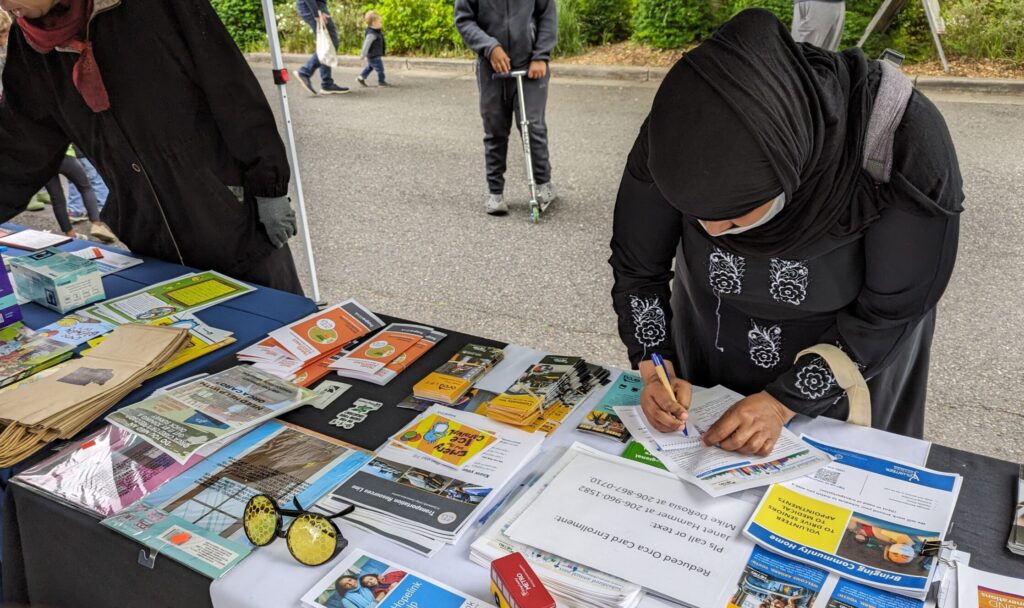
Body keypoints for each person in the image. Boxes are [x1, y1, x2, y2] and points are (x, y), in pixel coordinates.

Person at [609, 9, 963, 453]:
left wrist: (782, 403)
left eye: (736, 218)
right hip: (712, 337)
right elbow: (639, 266)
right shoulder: (678, 128)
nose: (712, 232)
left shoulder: (901, 139)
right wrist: (654, 363)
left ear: (791, 171)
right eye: (693, 215)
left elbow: (891, 312)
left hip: (847, 358)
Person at [0, 0, 303, 294]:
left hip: (231, 220)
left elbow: (231, 88)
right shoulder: (29, 46)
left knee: (277, 327)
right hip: (150, 236)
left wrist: (269, 184)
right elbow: (20, 148)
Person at [455, 0, 559, 216]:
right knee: (494, 129)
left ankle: (543, 184)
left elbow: (547, 15)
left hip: (531, 66)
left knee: (532, 125)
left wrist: (541, 55)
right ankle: (495, 192)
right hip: (491, 67)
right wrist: (489, 46)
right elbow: (464, 20)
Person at [44, 146, 116, 242]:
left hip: (44, 161)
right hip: (65, 155)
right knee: (85, 188)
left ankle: (70, 233)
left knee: (57, 199)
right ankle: (97, 224)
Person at [295, 0, 349, 95]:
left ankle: (327, 83)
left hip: (314, 6)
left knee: (327, 44)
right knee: (331, 43)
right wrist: (316, 14)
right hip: (313, 7)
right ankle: (305, 71)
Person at [67, 145, 109, 222]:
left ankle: (75, 210)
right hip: (87, 152)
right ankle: (101, 210)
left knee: (75, 180)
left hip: (73, 153)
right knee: (97, 180)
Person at [356, 10, 389, 87]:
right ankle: (381, 82)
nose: (381, 23)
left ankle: (361, 77)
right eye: (379, 22)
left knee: (370, 67)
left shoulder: (376, 31)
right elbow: (366, 45)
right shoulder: (372, 34)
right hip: (374, 55)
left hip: (374, 55)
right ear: (374, 23)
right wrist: (363, 54)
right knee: (380, 69)